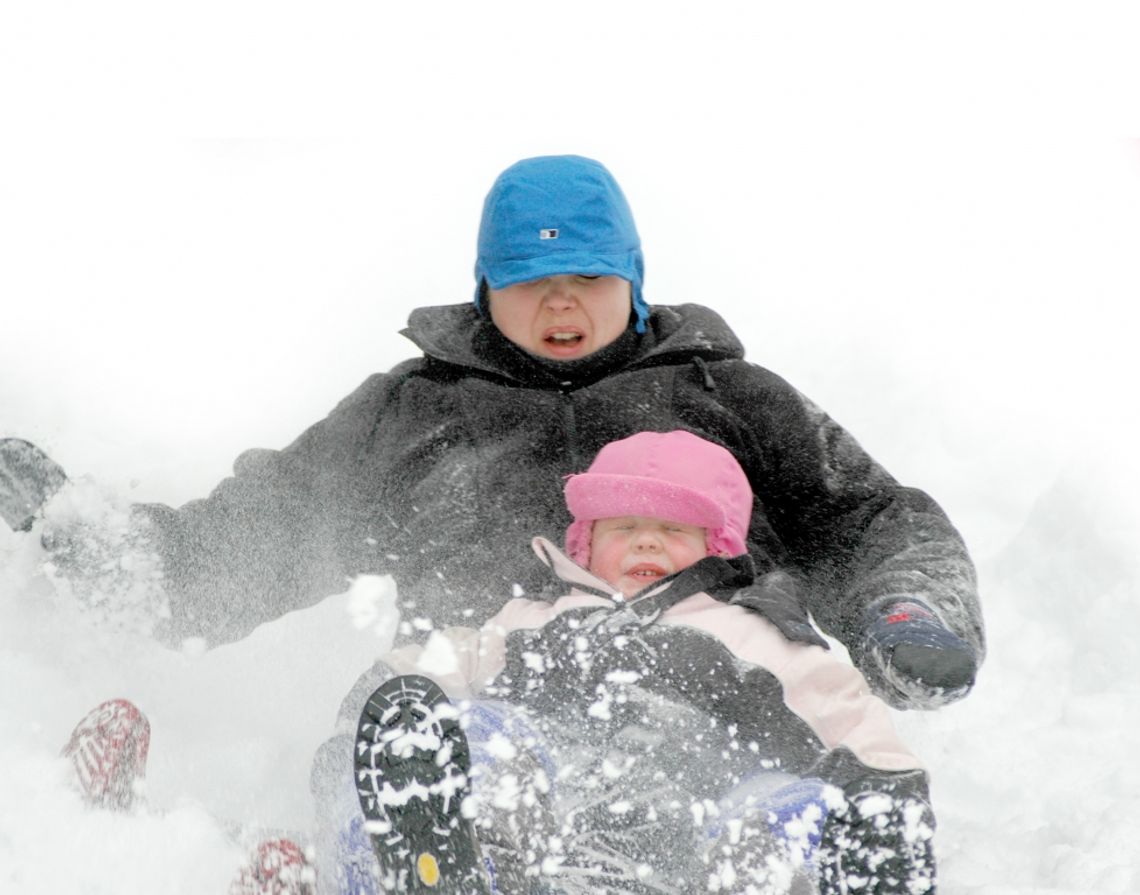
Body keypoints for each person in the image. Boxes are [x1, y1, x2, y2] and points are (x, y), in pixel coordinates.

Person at [12, 154, 983, 710]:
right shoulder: (411, 414)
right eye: (529, 281)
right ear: (486, 288)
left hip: (715, 691)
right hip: (482, 703)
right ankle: (364, 849)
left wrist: (909, 612)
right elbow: (249, 541)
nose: (561, 303)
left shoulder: (731, 397)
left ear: (634, 283)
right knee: (391, 727)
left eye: (590, 279)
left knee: (757, 748)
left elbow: (867, 515)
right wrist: (84, 534)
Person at [319, 431, 937, 894]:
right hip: (542, 830)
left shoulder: (753, 632)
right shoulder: (535, 617)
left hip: (691, 835)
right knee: (483, 737)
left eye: (672, 528)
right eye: (624, 526)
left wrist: (885, 796)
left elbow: (848, 719)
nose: (646, 540)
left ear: (714, 546)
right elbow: (450, 658)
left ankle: (773, 882)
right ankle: (460, 859)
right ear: (584, 543)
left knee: (788, 804)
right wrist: (393, 698)